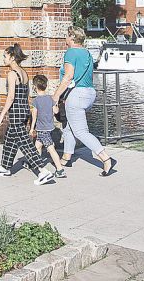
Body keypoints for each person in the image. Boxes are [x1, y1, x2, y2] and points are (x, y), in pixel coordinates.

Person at [51, 26, 116, 176]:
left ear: (72, 38)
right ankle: (66, 158)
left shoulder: (71, 52)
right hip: (89, 93)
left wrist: (55, 96)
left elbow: (68, 77)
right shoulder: (86, 52)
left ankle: (106, 159)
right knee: (68, 127)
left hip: (76, 95)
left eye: (66, 36)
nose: (65, 39)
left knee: (80, 131)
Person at [0, 44, 55, 185]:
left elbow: (11, 97)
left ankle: (43, 171)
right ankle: (4, 167)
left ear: (13, 58)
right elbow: (25, 95)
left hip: (16, 112)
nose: (3, 59)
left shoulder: (12, 74)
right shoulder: (24, 73)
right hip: (24, 110)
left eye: (5, 56)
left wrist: (2, 114)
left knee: (26, 145)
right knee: (10, 139)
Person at [29, 74, 66, 178]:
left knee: (51, 149)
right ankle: (34, 163)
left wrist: (32, 128)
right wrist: (56, 105)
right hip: (49, 127)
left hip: (42, 128)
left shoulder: (35, 101)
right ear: (45, 85)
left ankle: (60, 169)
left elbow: (34, 115)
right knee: (38, 146)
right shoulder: (50, 99)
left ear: (35, 87)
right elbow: (56, 111)